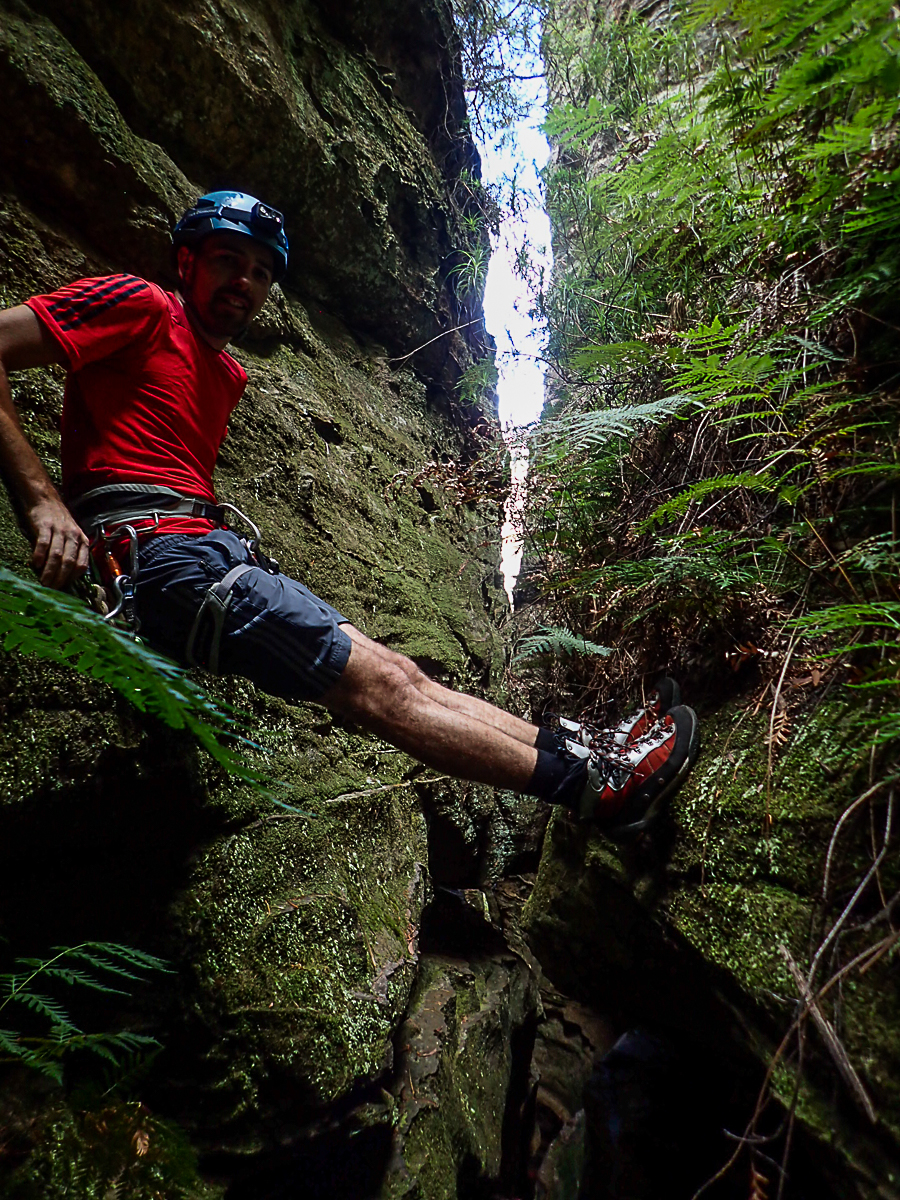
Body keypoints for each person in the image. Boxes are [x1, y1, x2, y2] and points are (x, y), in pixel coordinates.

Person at [0, 191, 699, 838]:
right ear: (186, 261)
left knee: (403, 673)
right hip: (163, 561)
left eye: (260, 272)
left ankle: (590, 753)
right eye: (226, 261)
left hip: (207, 553)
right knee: (382, 690)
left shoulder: (225, 371)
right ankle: (600, 792)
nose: (244, 282)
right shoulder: (142, 304)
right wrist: (41, 501)